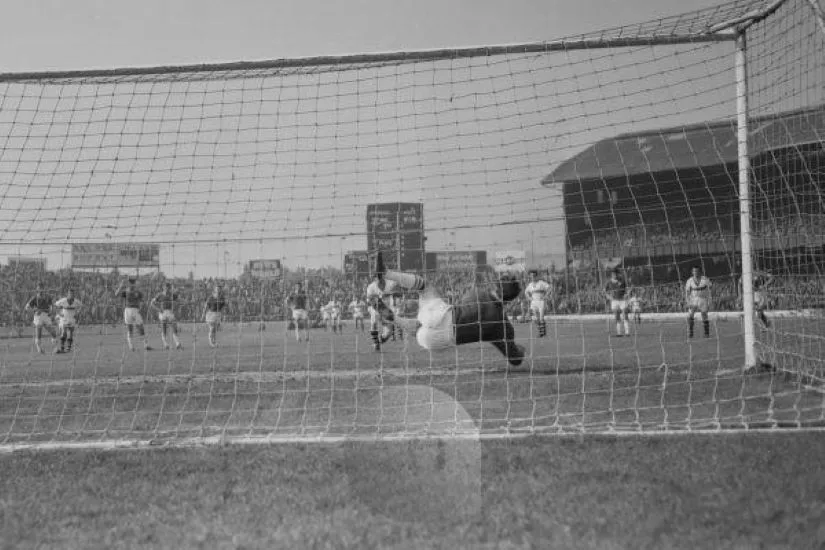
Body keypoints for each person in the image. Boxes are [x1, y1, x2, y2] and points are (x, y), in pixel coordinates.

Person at [374, 252, 525, 366]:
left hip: (441, 316)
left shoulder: (478, 293)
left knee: (425, 286)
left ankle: (386, 273)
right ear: (512, 298)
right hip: (435, 341)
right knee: (421, 330)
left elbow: (464, 305)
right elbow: (515, 360)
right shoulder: (503, 327)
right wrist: (519, 350)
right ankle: (394, 319)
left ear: (496, 285)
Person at [115, 276, 152, 352]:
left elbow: (143, 300)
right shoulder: (126, 291)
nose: (131, 283)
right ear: (128, 283)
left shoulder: (138, 292)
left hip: (136, 310)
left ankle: (146, 345)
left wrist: (143, 304)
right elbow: (116, 294)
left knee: (141, 327)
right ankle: (131, 347)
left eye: (132, 282)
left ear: (134, 283)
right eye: (130, 282)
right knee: (130, 329)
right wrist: (120, 286)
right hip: (128, 310)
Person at [24, 283, 58, 354]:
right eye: (39, 288)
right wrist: (34, 310)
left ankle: (56, 348)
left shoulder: (48, 297)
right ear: (37, 289)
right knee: (38, 334)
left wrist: (51, 312)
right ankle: (39, 349)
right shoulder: (34, 298)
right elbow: (27, 307)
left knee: (53, 332)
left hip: (46, 316)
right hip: (38, 317)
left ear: (44, 289)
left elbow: (52, 305)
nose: (41, 290)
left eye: (42, 288)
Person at [150, 282, 183, 350]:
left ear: (170, 288)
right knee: (164, 329)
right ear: (163, 287)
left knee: (174, 327)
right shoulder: (159, 295)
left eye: (169, 287)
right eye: (166, 287)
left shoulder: (173, 295)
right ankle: (166, 344)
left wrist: (175, 309)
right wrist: (158, 309)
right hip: (163, 313)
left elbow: (179, 302)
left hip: (170, 312)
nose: (167, 288)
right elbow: (152, 303)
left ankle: (177, 344)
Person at [685, 266, 712, 338]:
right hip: (693, 299)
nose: (695, 272)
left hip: (703, 299)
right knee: (690, 315)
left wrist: (710, 300)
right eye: (694, 271)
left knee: (704, 315)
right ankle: (690, 333)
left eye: (697, 271)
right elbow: (687, 292)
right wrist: (688, 302)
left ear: (700, 272)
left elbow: (710, 289)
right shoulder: (689, 281)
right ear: (692, 272)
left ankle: (706, 333)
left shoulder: (705, 279)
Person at [524, 270, 552, 338]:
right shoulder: (530, 284)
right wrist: (529, 298)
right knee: (536, 319)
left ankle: (541, 333)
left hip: (541, 301)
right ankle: (542, 332)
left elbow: (550, 288)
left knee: (541, 317)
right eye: (531, 276)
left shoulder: (541, 283)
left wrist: (546, 296)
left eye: (534, 275)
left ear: (536, 276)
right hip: (533, 302)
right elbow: (526, 292)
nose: (532, 277)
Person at [604, 268, 630, 337]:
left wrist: (626, 294)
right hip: (614, 301)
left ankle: (627, 332)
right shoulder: (609, 282)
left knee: (625, 315)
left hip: (623, 300)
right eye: (612, 274)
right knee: (617, 316)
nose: (614, 275)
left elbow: (628, 289)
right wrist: (609, 297)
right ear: (611, 274)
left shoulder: (622, 281)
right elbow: (605, 292)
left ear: (617, 274)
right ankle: (619, 333)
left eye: (615, 274)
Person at [54, 288, 80, 354]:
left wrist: (77, 313)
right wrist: (59, 313)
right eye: (70, 294)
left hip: (71, 318)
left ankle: (68, 348)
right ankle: (62, 348)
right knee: (64, 332)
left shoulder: (76, 301)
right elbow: (55, 305)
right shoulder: (63, 300)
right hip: (64, 318)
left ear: (74, 294)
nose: (71, 295)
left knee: (70, 333)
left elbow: (81, 307)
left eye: (72, 294)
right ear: (67, 294)